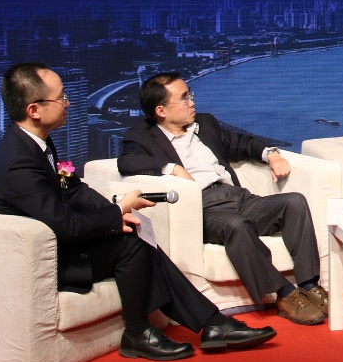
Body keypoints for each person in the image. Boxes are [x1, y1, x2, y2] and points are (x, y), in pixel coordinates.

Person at [0, 63, 275, 361]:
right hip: (36, 259)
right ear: (34, 110)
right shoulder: (18, 162)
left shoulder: (36, 144)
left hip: (56, 241)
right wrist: (115, 214)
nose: (67, 103)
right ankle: (143, 331)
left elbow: (73, 190)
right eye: (61, 98)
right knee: (130, 244)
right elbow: (64, 225)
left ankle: (210, 324)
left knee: (136, 232)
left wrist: (118, 208)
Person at [119, 72, 329, 326]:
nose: (192, 102)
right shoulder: (141, 135)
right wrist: (172, 168)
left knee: (293, 201)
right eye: (184, 98)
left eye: (190, 95)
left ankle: (310, 286)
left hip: (239, 198)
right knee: (235, 225)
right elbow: (127, 162)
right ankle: (284, 294)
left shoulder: (205, 123)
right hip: (203, 208)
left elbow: (241, 142)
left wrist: (271, 154)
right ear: (161, 110)